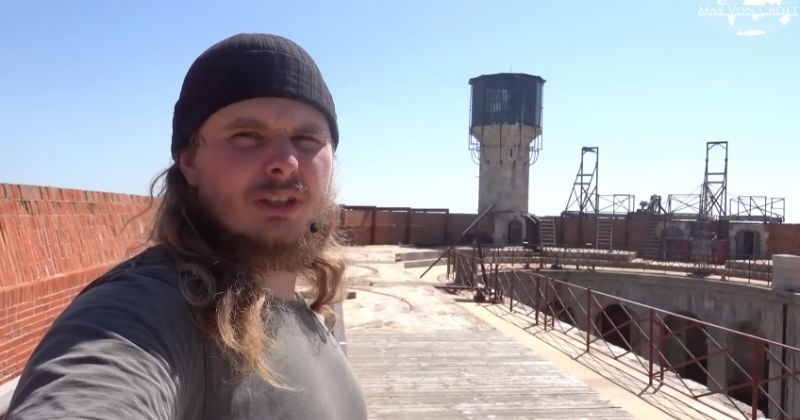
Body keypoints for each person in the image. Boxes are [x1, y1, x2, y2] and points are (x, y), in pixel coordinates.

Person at [6, 33, 368, 420]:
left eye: (307, 138)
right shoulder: (148, 311)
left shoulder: (302, 312)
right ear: (190, 160)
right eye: (247, 135)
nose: (286, 161)